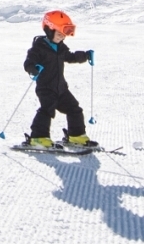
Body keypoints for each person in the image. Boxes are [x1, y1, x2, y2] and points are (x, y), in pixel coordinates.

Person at [21, 9, 96, 151]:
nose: (62, 38)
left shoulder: (60, 47)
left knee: (75, 109)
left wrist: (85, 56)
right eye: (59, 34)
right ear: (49, 30)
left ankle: (76, 135)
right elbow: (29, 62)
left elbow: (70, 57)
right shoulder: (39, 48)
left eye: (64, 35)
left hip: (61, 88)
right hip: (46, 88)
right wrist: (33, 68)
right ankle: (38, 137)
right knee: (47, 110)